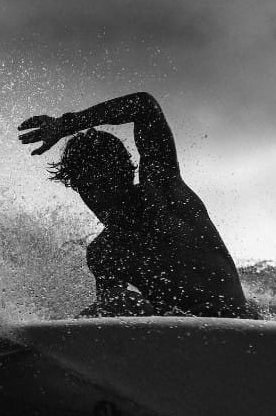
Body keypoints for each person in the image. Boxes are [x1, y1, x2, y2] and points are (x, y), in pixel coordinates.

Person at [18, 92, 255, 319]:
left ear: (125, 173)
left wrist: (66, 125)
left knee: (120, 303)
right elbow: (112, 322)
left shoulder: (163, 192)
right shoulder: (105, 253)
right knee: (117, 302)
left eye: (105, 183)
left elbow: (143, 105)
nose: (99, 197)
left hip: (242, 327)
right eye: (88, 188)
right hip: (184, 343)